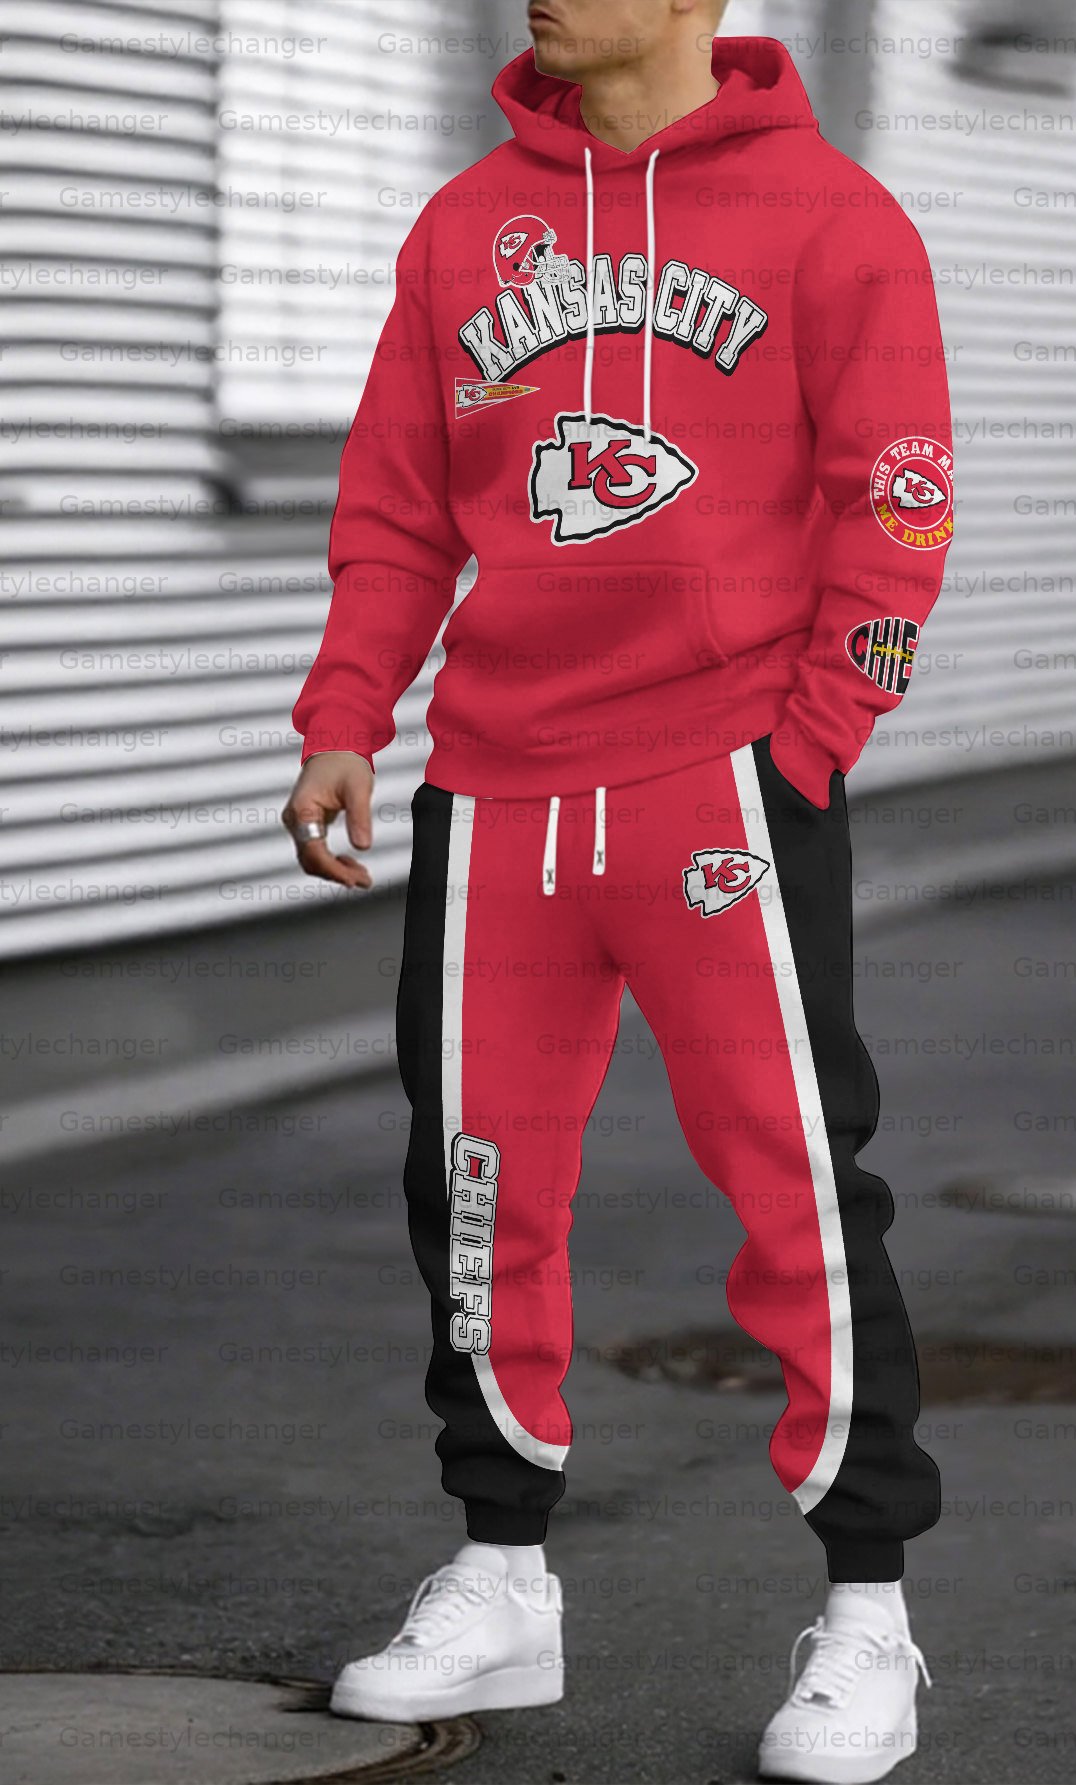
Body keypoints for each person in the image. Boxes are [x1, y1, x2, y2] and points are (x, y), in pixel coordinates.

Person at [285, 3, 952, 1778]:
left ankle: (869, 1616)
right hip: (496, 791)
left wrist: (812, 743)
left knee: (801, 1190)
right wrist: (346, 716)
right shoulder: (464, 227)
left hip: (723, 782)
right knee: (475, 1187)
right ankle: (503, 1577)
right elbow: (399, 506)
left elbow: (898, 505)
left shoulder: (836, 222)